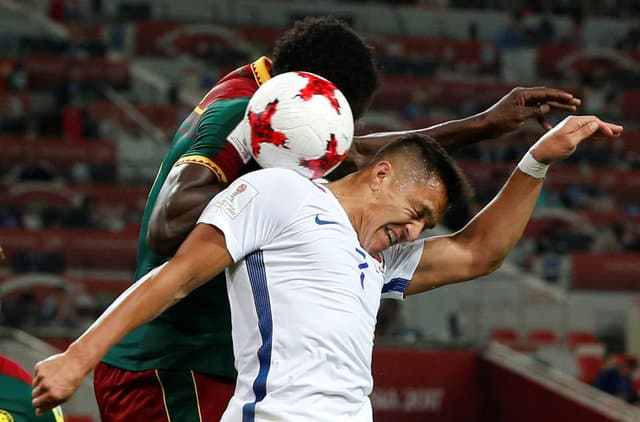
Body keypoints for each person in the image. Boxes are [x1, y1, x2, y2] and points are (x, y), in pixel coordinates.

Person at [89, 16, 581, 421]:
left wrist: (484, 127)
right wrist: (267, 199)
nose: (335, 155)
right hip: (173, 364)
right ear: (314, 99)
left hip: (207, 364)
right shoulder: (244, 115)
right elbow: (168, 227)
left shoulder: (272, 118)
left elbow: (360, 160)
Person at [32, 115, 622, 419]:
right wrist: (79, 356)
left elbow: (478, 252)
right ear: (381, 174)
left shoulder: (377, 257)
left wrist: (537, 160)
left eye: (425, 226)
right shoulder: (280, 193)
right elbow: (176, 276)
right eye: (417, 213)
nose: (414, 232)